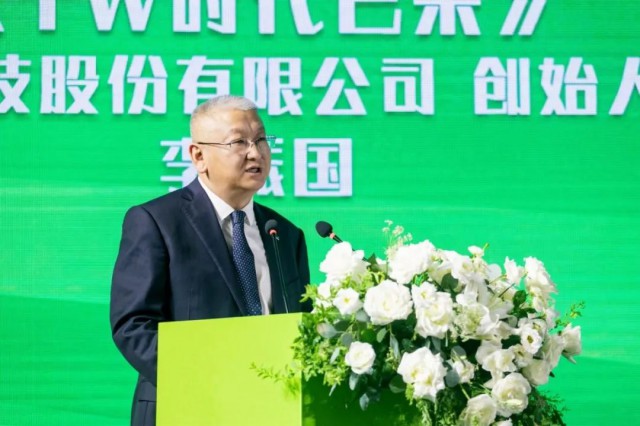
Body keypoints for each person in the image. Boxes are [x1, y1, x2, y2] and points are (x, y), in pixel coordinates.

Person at [110, 95, 311, 426]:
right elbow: (133, 326)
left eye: (261, 139)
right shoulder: (157, 221)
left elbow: (300, 326)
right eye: (239, 142)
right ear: (198, 155)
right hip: (186, 407)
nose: (256, 153)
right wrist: (213, 379)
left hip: (272, 409)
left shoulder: (285, 235)